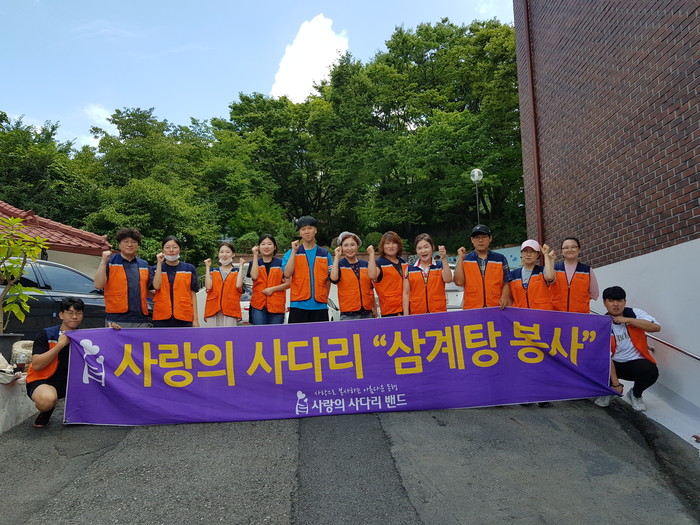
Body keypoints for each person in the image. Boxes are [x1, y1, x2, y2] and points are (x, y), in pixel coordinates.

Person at [595, 286, 661, 411]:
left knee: (650, 371)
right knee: (593, 365)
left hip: (635, 363)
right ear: (604, 303)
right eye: (611, 300)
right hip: (613, 364)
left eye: (619, 300)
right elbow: (606, 357)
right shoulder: (601, 325)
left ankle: (635, 394)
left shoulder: (635, 313)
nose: (616, 304)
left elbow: (656, 327)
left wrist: (628, 320)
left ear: (625, 301)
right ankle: (610, 391)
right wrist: (616, 384)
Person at [25, 297, 84, 427]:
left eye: (78, 313)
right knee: (47, 401)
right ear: (61, 315)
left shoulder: (85, 336)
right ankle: (47, 410)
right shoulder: (47, 334)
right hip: (44, 380)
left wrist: (115, 331)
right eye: (70, 313)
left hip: (72, 382)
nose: (75, 317)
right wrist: (60, 344)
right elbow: (37, 365)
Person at [93, 227, 150, 328]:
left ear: (137, 245)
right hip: (116, 319)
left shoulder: (144, 264)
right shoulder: (110, 262)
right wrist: (103, 262)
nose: (130, 244)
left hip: (140, 319)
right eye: (126, 241)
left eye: (133, 242)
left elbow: (148, 289)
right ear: (119, 244)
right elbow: (98, 285)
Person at [282, 216, 333, 323]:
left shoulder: (325, 254)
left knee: (321, 334)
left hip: (320, 305)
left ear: (315, 230)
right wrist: (294, 251)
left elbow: (329, 279)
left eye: (310, 228)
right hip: (298, 305)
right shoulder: (292, 252)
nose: (307, 232)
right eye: (303, 229)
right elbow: (287, 273)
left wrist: (324, 298)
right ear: (300, 232)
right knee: (298, 334)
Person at [453, 224, 512, 309]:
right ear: (472, 240)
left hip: (496, 307)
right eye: (477, 237)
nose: (480, 240)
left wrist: (504, 296)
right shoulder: (465, 259)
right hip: (472, 309)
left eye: (484, 237)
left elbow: (507, 282)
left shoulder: (500, 259)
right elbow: (458, 282)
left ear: (490, 238)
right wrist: (460, 258)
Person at [151, 236, 200, 328]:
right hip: (161, 316)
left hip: (184, 316)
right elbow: (156, 286)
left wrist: (195, 319)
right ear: (162, 250)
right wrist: (159, 264)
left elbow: (193, 295)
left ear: (180, 249)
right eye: (167, 247)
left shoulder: (189, 269)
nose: (171, 250)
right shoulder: (155, 269)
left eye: (174, 247)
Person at [330, 231, 376, 320]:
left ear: (357, 246)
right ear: (341, 247)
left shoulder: (365, 264)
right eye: (346, 245)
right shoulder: (339, 265)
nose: (349, 248)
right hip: (348, 314)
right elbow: (333, 278)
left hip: (367, 312)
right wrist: (337, 257)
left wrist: (374, 307)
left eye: (352, 245)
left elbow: (370, 288)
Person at [403, 234, 453, 315]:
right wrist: (406, 315)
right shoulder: (409, 269)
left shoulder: (440, 266)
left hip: (438, 312)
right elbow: (406, 293)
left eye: (426, 247)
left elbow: (448, 279)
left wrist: (444, 258)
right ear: (416, 250)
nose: (423, 251)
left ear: (432, 248)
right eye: (419, 248)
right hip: (417, 313)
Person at [248, 234, 290, 325]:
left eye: (269, 244)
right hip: (258, 304)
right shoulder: (254, 263)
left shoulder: (281, 263)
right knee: (259, 331)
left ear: (274, 247)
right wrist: (255, 255)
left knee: (275, 332)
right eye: (263, 244)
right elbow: (254, 276)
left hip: (276, 304)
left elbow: (289, 283)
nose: (266, 247)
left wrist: (272, 289)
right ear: (259, 247)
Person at [551, 236, 599, 313]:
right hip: (556, 314)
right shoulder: (554, 268)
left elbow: (594, 293)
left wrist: (577, 301)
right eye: (566, 248)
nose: (570, 250)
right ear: (562, 251)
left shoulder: (587, 270)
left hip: (580, 315)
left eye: (573, 247)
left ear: (579, 250)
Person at [367, 231, 408, 317]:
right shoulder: (379, 263)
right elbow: (372, 276)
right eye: (387, 243)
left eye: (394, 243)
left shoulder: (404, 262)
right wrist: (371, 255)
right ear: (383, 246)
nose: (391, 246)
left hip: (408, 308)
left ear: (398, 245)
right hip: (390, 311)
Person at [204, 242, 244, 327]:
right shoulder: (213, 271)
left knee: (229, 334)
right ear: (218, 254)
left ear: (233, 254)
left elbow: (238, 285)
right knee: (213, 334)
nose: (224, 255)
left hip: (231, 309)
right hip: (213, 308)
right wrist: (207, 267)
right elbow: (208, 286)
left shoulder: (237, 271)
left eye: (228, 252)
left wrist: (241, 266)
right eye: (221, 252)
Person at [509, 240, 556, 310]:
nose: (528, 254)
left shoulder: (542, 271)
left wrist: (546, 255)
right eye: (525, 251)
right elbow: (509, 298)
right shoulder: (513, 274)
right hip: (520, 315)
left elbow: (550, 277)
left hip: (541, 314)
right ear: (521, 253)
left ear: (538, 255)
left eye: (532, 251)